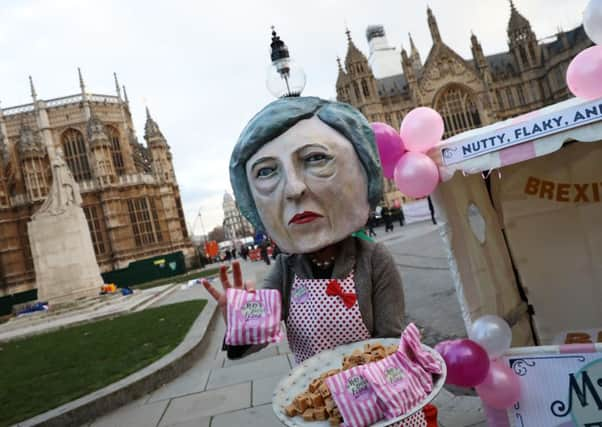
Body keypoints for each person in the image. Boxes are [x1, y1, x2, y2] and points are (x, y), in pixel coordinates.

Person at [202, 97, 434, 425]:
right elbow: (253, 336)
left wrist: (359, 397)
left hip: (382, 405)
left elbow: (389, 346)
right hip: (322, 409)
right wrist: (239, 318)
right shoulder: (285, 271)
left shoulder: (373, 261)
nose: (294, 189)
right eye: (267, 172)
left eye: (315, 159)